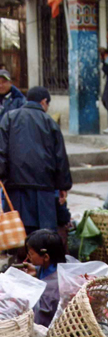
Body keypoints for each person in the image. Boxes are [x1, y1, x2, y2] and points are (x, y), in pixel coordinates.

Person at [0, 86, 72, 236]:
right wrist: (63, 186)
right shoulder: (50, 122)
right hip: (43, 186)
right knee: (43, 232)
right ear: (44, 102)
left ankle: (18, 256)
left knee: (18, 230)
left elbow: (1, 150)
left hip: (15, 185)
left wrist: (2, 175)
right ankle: (41, 257)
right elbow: (60, 156)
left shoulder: (9, 118)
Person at [21, 229, 66, 327]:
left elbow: (40, 319)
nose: (28, 257)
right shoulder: (59, 263)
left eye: (31, 254)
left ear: (46, 257)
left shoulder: (51, 290)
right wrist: (37, 271)